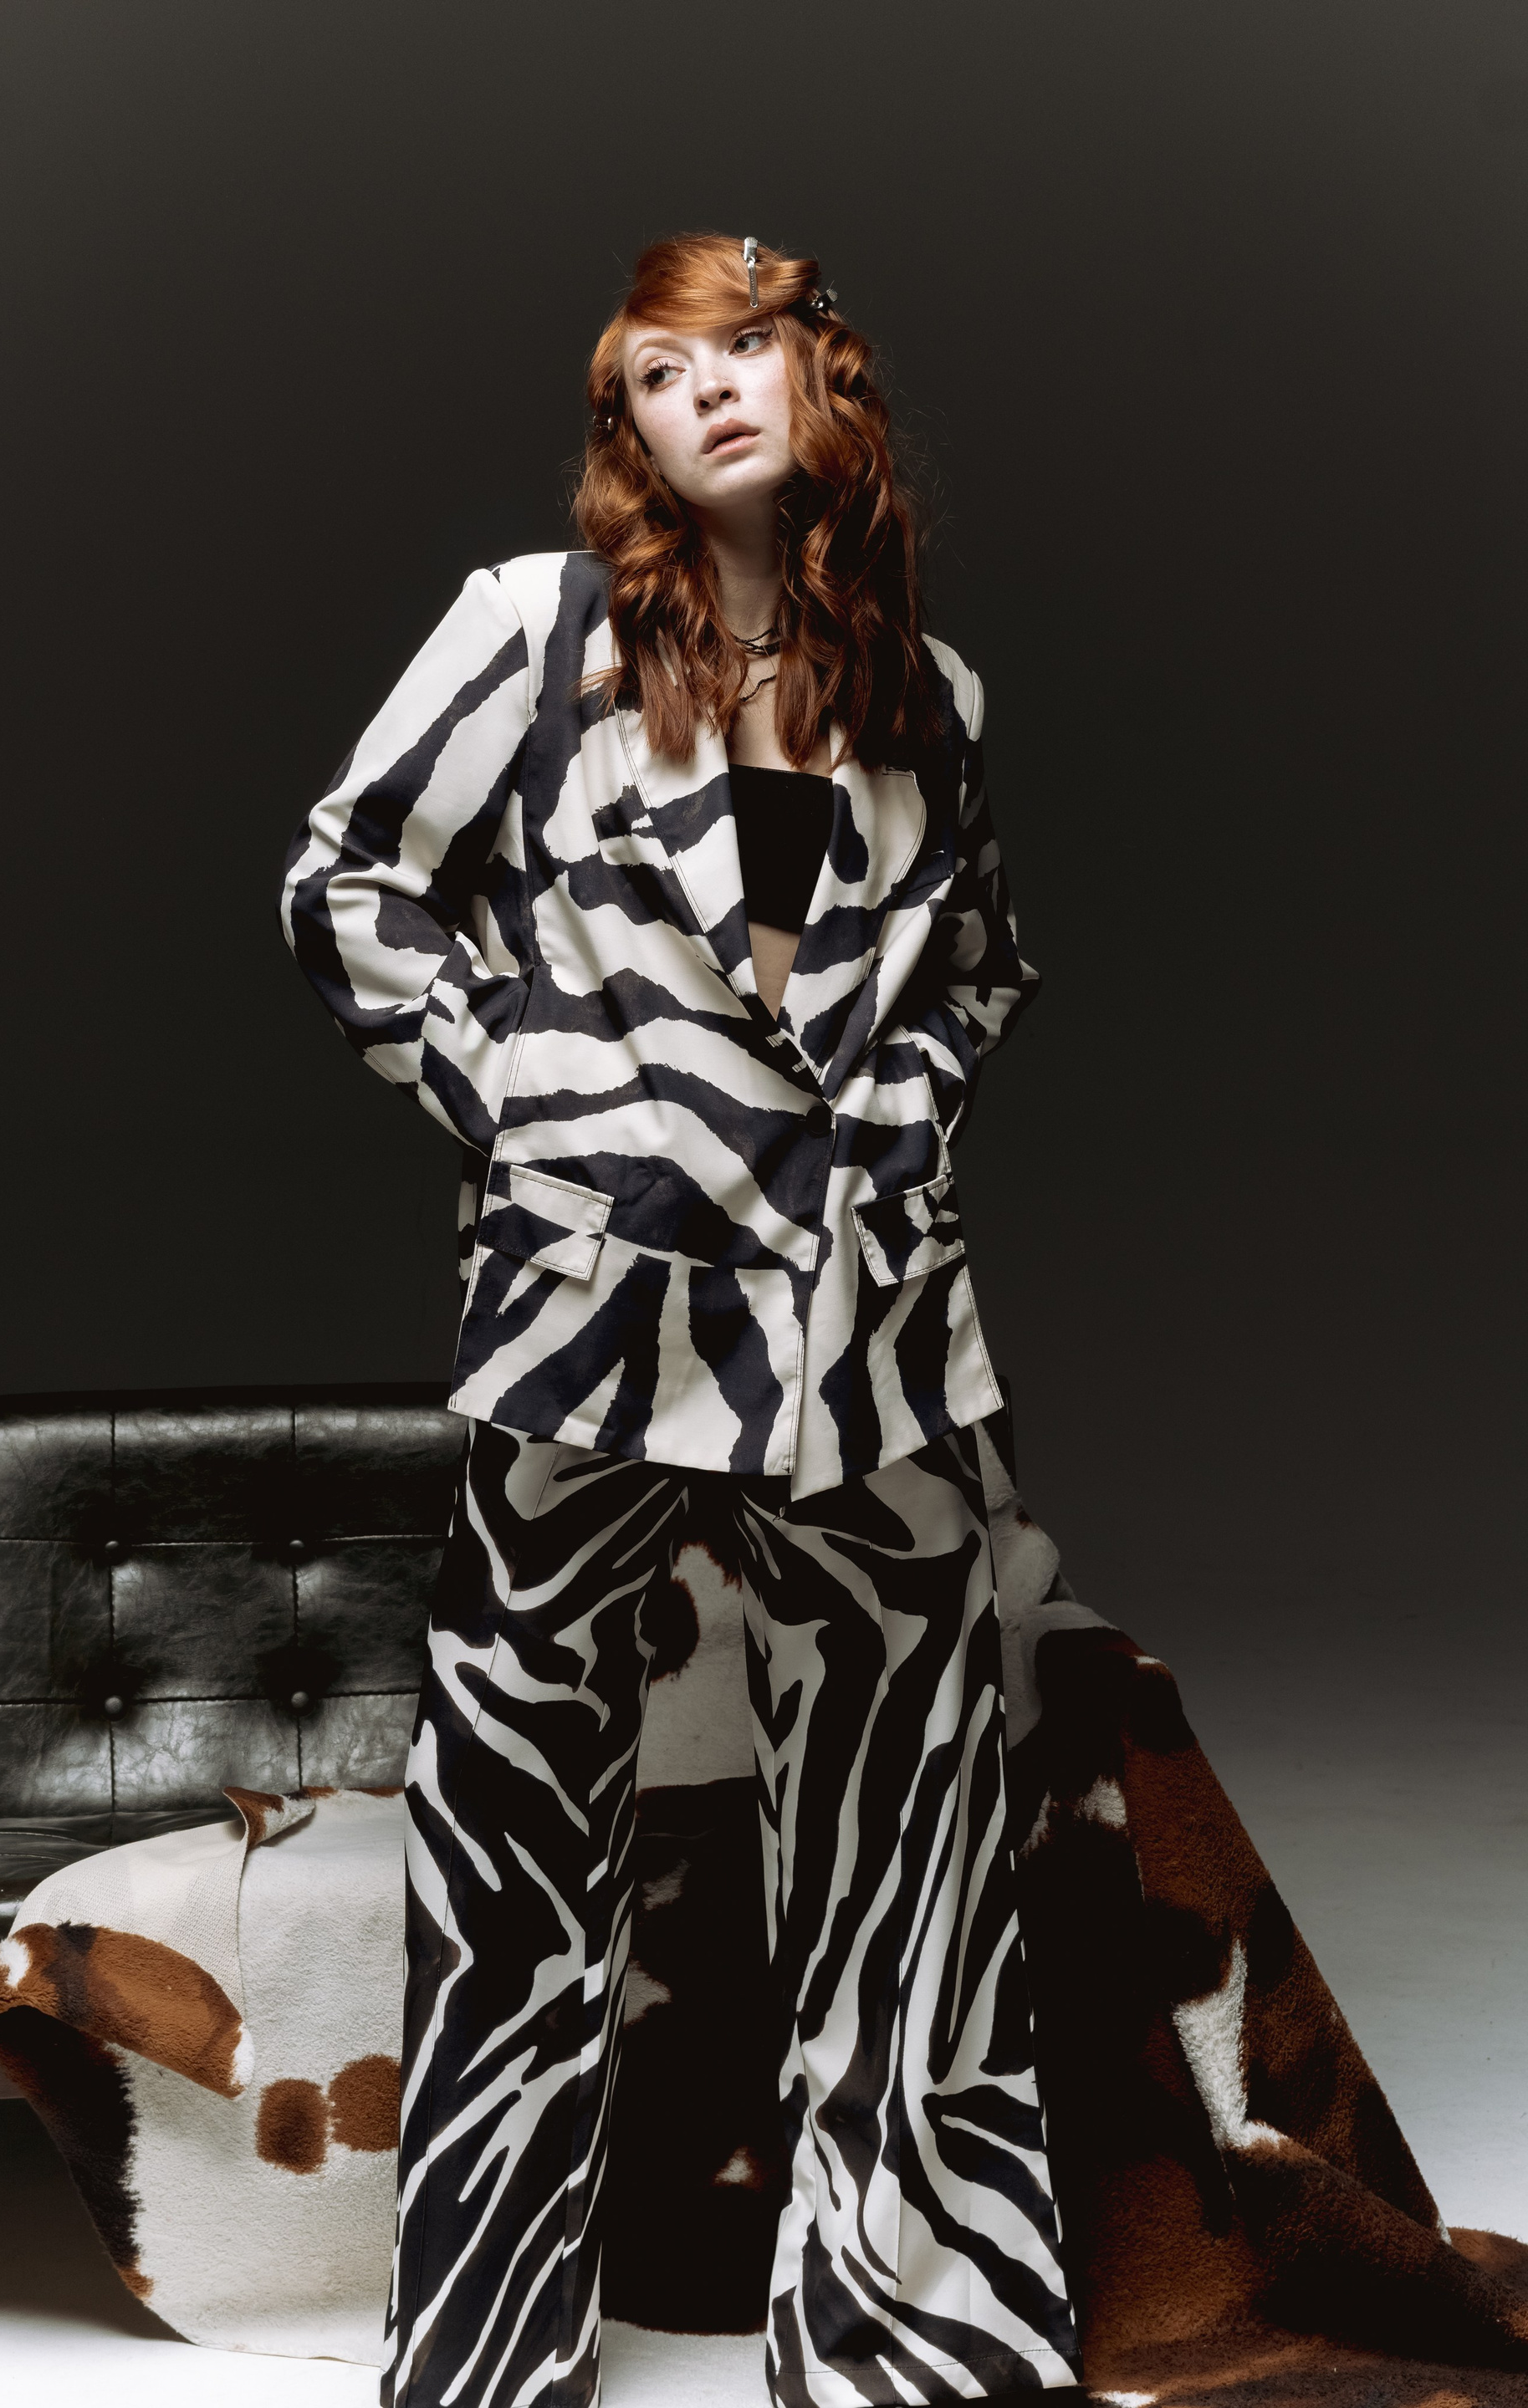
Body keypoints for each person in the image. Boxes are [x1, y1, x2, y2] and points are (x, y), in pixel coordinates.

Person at [282, 231, 1081, 2408]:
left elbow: (983, 968)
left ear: (825, 379)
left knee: (911, 1838)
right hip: (590, 1318)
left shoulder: (933, 694)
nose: (710, 390)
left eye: (746, 349)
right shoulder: (524, 634)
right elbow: (347, 887)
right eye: (659, 369)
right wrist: (523, 1104)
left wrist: (905, 1129)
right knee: (515, 1828)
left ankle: (916, 2331)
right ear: (624, 426)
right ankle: (485, 2342)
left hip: (869, 1334)